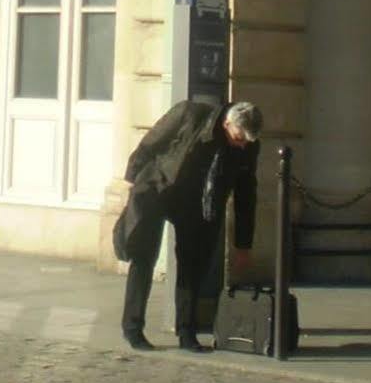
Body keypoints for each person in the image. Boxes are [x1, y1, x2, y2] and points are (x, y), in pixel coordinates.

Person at [112, 99, 262, 352]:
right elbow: (149, 144)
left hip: (197, 204)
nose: (242, 144)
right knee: (144, 256)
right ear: (227, 123)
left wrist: (243, 244)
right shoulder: (190, 115)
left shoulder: (247, 147)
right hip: (159, 187)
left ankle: (187, 332)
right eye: (238, 138)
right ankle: (133, 328)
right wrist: (130, 184)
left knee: (192, 266)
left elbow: (246, 193)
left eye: (247, 141)